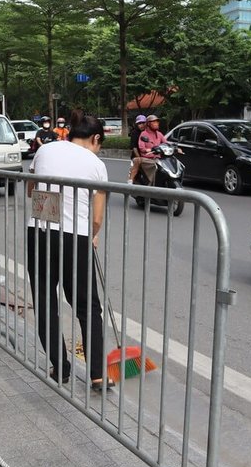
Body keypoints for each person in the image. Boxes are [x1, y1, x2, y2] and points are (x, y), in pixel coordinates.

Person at [26, 110, 114, 390]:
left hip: (39, 231)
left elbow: (30, 190)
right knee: (87, 306)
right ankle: (97, 375)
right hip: (75, 237)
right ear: (95, 138)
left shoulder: (45, 150)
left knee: (45, 300)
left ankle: (60, 367)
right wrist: (93, 235)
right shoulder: (96, 164)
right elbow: (97, 218)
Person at [128, 114, 166, 184]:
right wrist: (140, 156)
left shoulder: (158, 133)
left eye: (143, 123)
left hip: (154, 156)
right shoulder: (137, 133)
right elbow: (135, 147)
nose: (141, 125)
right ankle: (130, 180)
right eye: (139, 123)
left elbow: (165, 143)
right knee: (137, 161)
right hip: (140, 155)